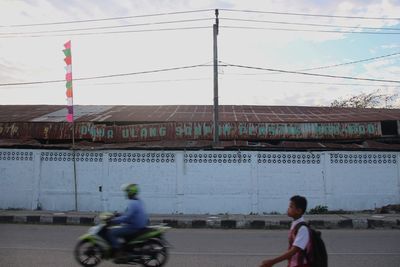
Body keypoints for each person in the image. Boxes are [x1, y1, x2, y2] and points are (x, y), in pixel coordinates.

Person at [260, 195, 311, 267]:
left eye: (291, 207)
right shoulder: (295, 224)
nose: (288, 209)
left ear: (298, 211)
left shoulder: (303, 229)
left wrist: (272, 262)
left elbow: (294, 251)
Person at [107, 183, 149, 260]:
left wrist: (113, 221)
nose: (125, 194)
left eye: (127, 192)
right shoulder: (139, 201)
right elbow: (129, 214)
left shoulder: (132, 203)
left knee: (111, 232)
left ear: (130, 192)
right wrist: (118, 214)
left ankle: (119, 252)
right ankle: (125, 248)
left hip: (133, 227)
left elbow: (126, 218)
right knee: (120, 229)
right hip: (139, 226)